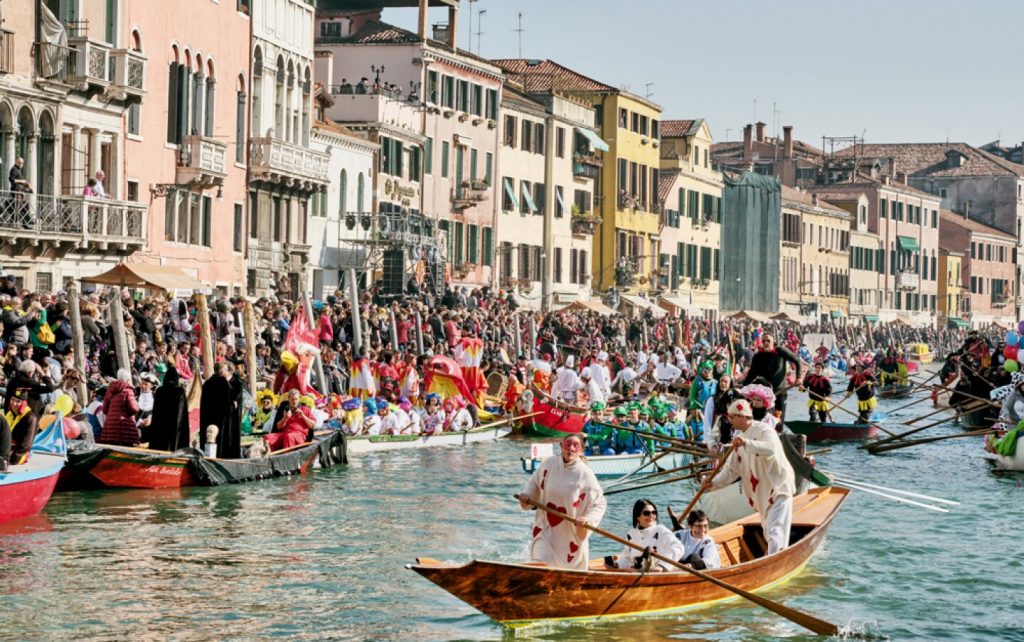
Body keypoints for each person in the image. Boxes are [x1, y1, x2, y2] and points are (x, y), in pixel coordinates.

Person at [705, 398, 796, 555]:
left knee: (776, 533)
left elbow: (771, 448)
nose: (730, 420)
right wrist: (712, 484)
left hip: (778, 488)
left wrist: (747, 443)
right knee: (768, 531)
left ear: (742, 416)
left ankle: (773, 562)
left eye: (732, 417)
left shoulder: (764, 430)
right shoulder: (739, 439)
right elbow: (730, 471)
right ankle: (770, 559)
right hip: (761, 493)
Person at [519, 432, 606, 570]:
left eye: (575, 446)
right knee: (541, 562)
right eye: (568, 444)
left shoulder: (585, 474)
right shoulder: (548, 463)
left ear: (581, 450)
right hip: (545, 528)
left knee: (569, 567)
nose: (571, 448)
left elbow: (599, 503)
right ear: (561, 446)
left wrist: (587, 519)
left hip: (569, 534)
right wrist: (527, 495)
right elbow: (534, 483)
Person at [605, 499, 683, 572]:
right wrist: (617, 564)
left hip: (656, 573)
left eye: (654, 512)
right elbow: (627, 557)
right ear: (638, 517)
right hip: (638, 571)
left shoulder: (660, 530)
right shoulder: (631, 534)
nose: (651, 515)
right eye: (647, 513)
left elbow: (678, 547)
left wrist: (661, 566)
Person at [740, 333, 802, 418]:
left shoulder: (781, 351)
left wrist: (798, 377)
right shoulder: (757, 357)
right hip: (765, 394)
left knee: (778, 419)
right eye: (764, 341)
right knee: (765, 418)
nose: (766, 343)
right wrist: (743, 390)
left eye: (768, 341)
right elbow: (751, 375)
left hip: (780, 391)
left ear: (773, 342)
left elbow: (797, 361)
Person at [148, 366, 190, 452]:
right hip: (174, 427)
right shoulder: (180, 392)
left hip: (161, 427)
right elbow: (182, 414)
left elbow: (155, 412)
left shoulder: (160, 391)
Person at [200, 361, 237, 456]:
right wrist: (233, 406)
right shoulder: (224, 384)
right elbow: (227, 403)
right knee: (219, 440)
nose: (226, 371)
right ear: (221, 370)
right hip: (221, 417)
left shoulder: (207, 383)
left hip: (208, 416)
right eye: (225, 369)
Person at [100, 368, 141, 446]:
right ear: (128, 380)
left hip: (110, 427)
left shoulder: (110, 390)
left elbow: (104, 410)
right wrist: (137, 404)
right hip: (124, 427)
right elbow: (134, 409)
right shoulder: (128, 391)